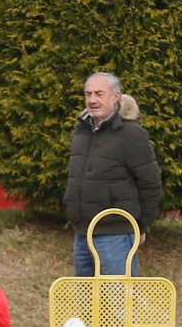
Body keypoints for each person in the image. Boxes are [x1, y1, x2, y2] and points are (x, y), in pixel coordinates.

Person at [64, 73, 162, 277]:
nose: (92, 100)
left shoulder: (131, 134)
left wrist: (140, 226)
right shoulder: (81, 131)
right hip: (82, 234)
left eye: (99, 93)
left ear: (116, 97)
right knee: (85, 304)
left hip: (115, 236)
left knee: (116, 305)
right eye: (88, 94)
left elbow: (150, 183)